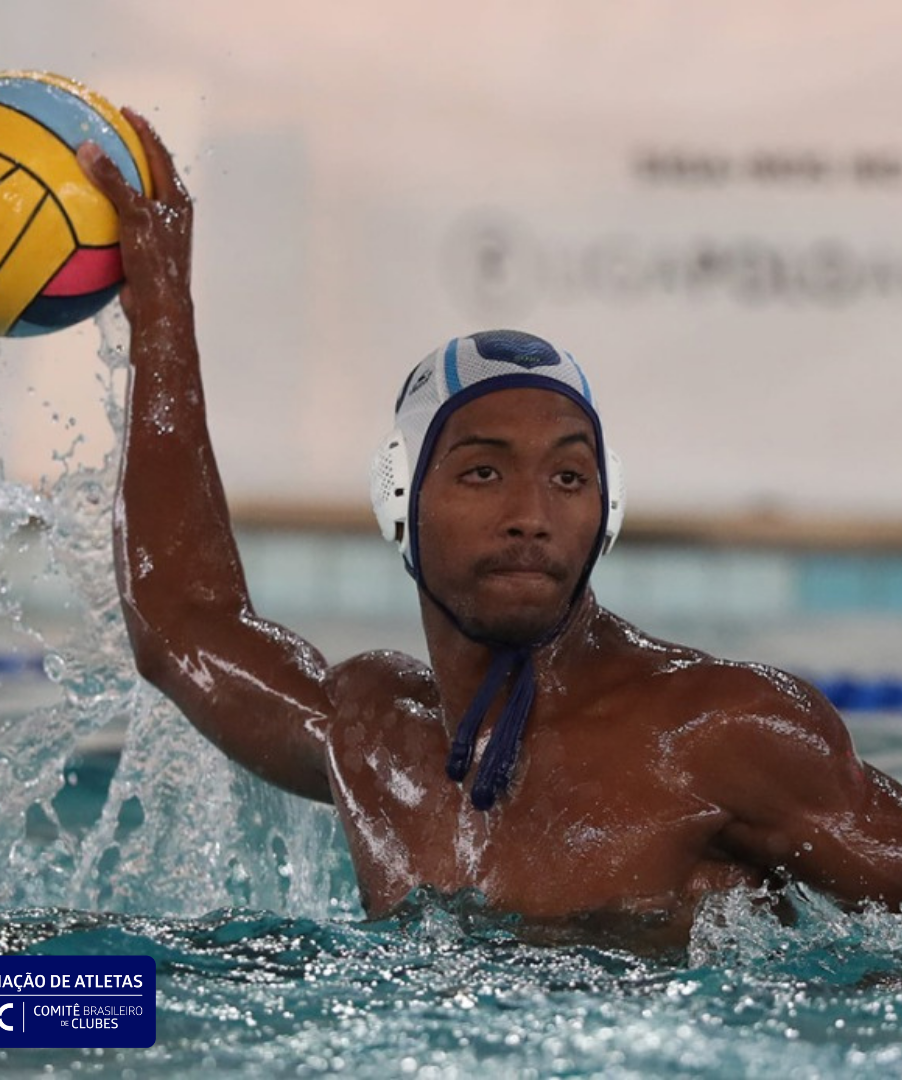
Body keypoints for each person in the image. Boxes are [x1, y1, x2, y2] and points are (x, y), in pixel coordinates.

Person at [78, 115, 902, 953]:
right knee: (29, 993)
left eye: (569, 478)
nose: (531, 514)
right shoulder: (375, 738)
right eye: (482, 471)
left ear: (606, 511)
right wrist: (161, 318)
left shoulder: (725, 731)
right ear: (401, 497)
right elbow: (181, 623)